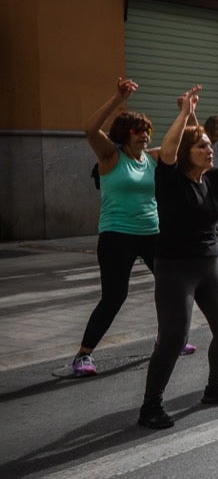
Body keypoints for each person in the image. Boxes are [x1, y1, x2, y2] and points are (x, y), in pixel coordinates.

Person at [138, 86, 218, 429]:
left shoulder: (211, 179)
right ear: (185, 153)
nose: (210, 150)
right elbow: (165, 151)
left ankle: (215, 387)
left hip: (209, 265)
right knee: (174, 337)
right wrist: (185, 114)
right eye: (202, 146)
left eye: (210, 145)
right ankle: (150, 405)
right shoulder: (169, 179)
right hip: (174, 267)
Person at [72, 78, 160, 377]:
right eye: (138, 130)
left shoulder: (150, 158)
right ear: (125, 134)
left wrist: (187, 111)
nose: (145, 135)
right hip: (117, 235)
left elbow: (180, 143)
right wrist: (117, 98)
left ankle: (168, 339)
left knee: (171, 285)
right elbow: (89, 130)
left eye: (147, 130)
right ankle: (84, 355)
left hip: (151, 233)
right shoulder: (111, 157)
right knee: (114, 296)